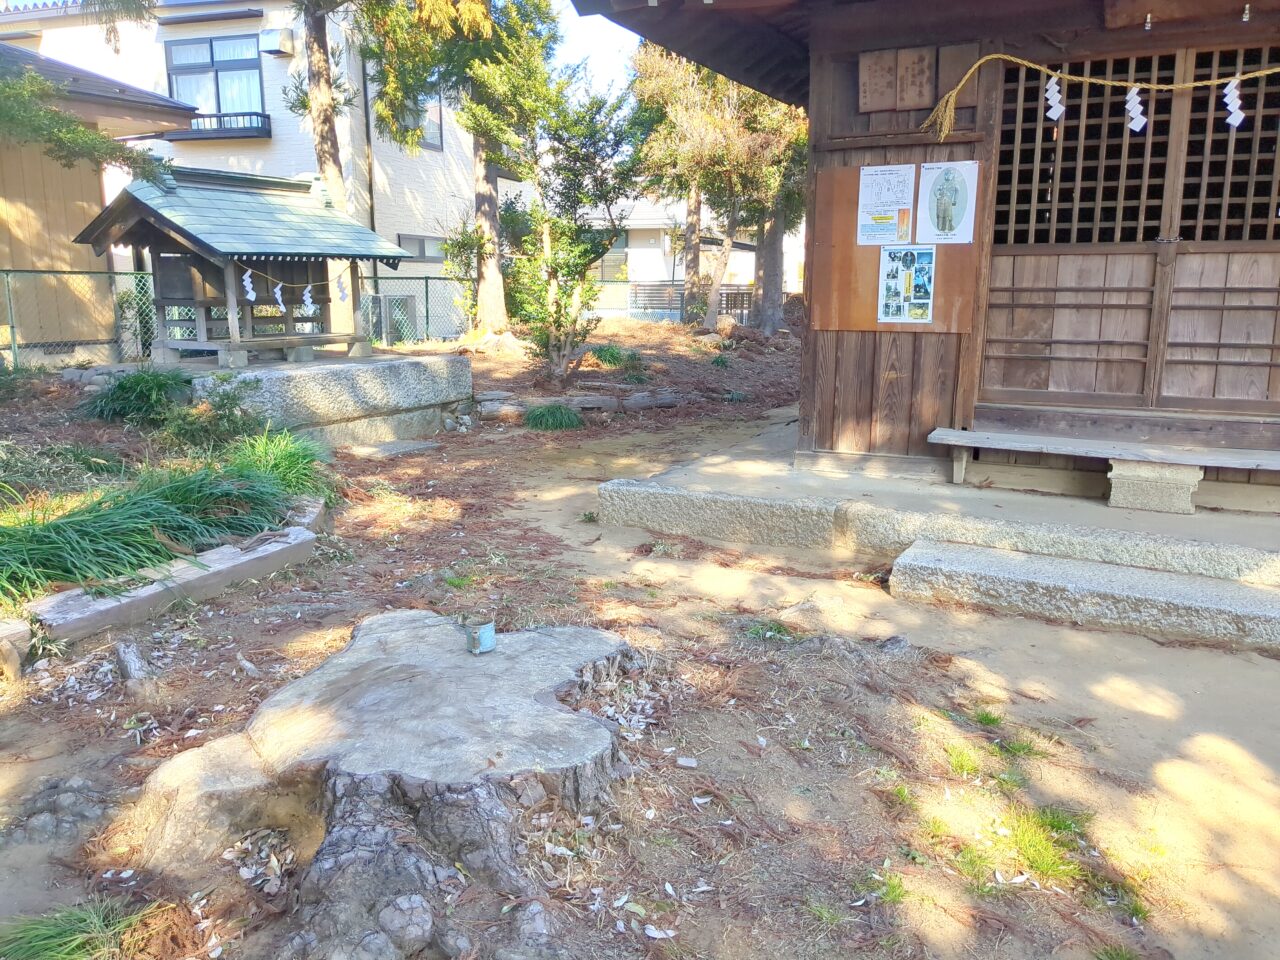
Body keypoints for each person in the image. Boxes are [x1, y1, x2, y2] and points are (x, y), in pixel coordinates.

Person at [933, 168, 959, 234]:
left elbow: (957, 191)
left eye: (949, 174)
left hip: (948, 201)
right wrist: (937, 196)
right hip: (941, 202)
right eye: (946, 174)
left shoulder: (954, 184)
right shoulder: (943, 184)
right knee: (940, 216)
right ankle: (940, 228)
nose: (947, 175)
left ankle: (947, 229)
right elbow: (936, 189)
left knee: (948, 216)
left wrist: (955, 200)